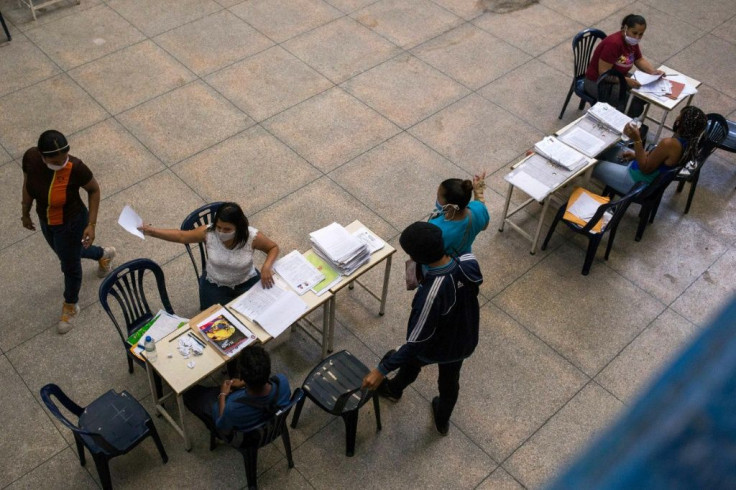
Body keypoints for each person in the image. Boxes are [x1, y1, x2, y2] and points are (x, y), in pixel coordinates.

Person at [362, 222, 482, 435]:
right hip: (464, 339)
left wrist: (381, 370)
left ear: (417, 258)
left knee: (410, 362)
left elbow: (416, 343)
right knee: (450, 382)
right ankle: (442, 420)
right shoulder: (468, 262)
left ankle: (394, 389)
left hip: (437, 345)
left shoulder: (431, 294)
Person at [21, 130, 116, 334]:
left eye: (64, 158)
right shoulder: (31, 158)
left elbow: (94, 190)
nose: (62, 163)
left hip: (72, 223)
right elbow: (28, 185)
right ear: (42, 155)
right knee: (69, 254)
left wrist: (92, 224)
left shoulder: (76, 167)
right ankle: (103, 255)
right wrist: (25, 212)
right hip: (46, 221)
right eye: (55, 161)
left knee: (70, 266)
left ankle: (71, 305)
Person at [139, 202, 279, 310]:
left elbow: (273, 247)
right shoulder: (209, 233)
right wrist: (151, 231)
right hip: (215, 285)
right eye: (218, 227)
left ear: (239, 227)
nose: (222, 232)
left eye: (227, 229)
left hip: (246, 281)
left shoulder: (251, 236)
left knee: (259, 313)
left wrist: (267, 266)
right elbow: (181, 236)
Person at [592, 105, 707, 195]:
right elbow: (656, 157)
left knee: (591, 166)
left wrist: (637, 139)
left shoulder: (670, 144)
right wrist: (635, 155)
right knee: (606, 147)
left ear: (681, 123)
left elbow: (645, 168)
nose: (677, 117)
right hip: (641, 173)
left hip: (635, 181)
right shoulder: (690, 142)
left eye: (679, 116)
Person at [183, 345, 291, 438]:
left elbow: (221, 424)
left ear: (242, 376)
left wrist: (222, 394)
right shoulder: (282, 382)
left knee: (189, 394)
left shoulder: (232, 408)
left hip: (244, 434)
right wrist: (244, 383)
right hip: (265, 416)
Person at [584, 14, 664, 117]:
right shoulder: (613, 44)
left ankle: (627, 121)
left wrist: (652, 72)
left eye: (641, 34)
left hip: (620, 78)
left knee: (646, 95)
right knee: (633, 106)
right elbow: (604, 73)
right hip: (597, 82)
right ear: (626, 28)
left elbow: (638, 59)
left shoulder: (631, 43)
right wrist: (626, 81)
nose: (637, 37)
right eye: (634, 33)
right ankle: (621, 124)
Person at [429, 172, 490, 256]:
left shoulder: (435, 228)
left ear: (450, 206)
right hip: (464, 258)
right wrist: (478, 191)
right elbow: (484, 226)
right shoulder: (479, 209)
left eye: (438, 197)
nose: (437, 199)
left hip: (445, 265)